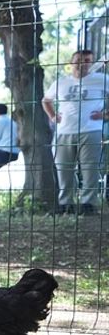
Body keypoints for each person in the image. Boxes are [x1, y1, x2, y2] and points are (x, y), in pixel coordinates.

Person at [43, 49, 108, 215]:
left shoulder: (102, 80)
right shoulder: (61, 82)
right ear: (71, 63)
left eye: (87, 60)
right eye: (78, 60)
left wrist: (105, 115)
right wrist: (52, 116)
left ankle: (89, 204)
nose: (82, 63)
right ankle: (66, 204)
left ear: (91, 63)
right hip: (64, 131)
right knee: (63, 169)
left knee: (90, 168)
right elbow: (46, 100)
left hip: (91, 130)